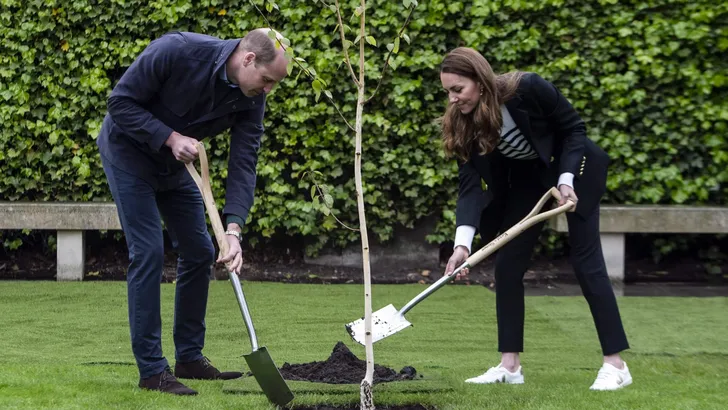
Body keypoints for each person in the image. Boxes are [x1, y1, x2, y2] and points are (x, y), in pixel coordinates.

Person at [97, 29, 289, 395]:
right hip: (128, 156)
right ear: (248, 59)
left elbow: (244, 162)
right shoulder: (177, 51)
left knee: (201, 251)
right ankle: (153, 371)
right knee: (149, 251)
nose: (268, 91)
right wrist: (170, 137)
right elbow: (119, 103)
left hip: (177, 168)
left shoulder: (252, 98)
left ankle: (189, 358)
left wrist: (233, 230)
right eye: (266, 80)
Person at [439, 47, 632, 391]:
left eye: (458, 89)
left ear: (480, 82)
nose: (453, 99)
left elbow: (574, 129)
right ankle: (509, 367)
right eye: (448, 92)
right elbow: (469, 187)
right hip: (531, 180)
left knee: (586, 260)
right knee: (508, 266)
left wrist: (566, 180)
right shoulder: (463, 123)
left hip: (576, 169)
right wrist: (462, 245)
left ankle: (615, 365)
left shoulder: (528, 88)